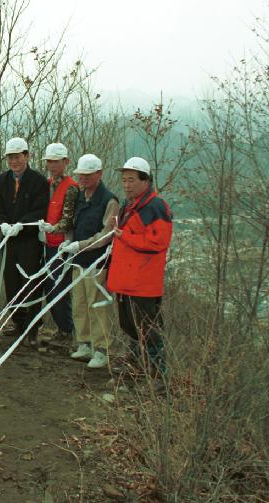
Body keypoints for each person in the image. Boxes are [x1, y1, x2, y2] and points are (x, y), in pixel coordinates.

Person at [106, 157, 173, 381]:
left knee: (148, 331)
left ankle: (157, 377)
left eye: (132, 180)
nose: (126, 184)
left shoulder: (155, 207)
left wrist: (125, 236)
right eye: (124, 180)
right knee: (130, 327)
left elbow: (158, 243)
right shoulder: (128, 205)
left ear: (146, 180)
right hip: (126, 280)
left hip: (143, 283)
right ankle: (136, 368)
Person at [54, 154, 120, 369]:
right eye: (81, 175)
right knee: (80, 304)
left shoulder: (109, 200)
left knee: (97, 305)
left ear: (99, 174)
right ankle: (84, 343)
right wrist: (66, 239)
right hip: (78, 260)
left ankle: (101, 349)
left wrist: (80, 245)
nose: (83, 178)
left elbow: (106, 235)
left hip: (97, 262)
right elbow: (73, 224)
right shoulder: (81, 197)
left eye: (88, 175)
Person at [0, 137, 50, 345]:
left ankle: (33, 326)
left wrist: (22, 224)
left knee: (30, 283)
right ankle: (18, 322)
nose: (14, 161)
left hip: (29, 242)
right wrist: (2, 223)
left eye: (17, 157)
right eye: (10, 157)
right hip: (8, 240)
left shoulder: (38, 181)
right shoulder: (1, 181)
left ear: (26, 156)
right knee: (11, 282)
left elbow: (40, 209)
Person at [35, 143, 79, 348]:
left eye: (56, 161)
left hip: (62, 246)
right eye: (49, 161)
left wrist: (53, 228)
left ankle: (66, 331)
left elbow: (68, 219)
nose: (52, 165)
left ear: (66, 162)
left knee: (58, 288)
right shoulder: (46, 184)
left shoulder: (71, 187)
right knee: (47, 287)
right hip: (46, 244)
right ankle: (62, 329)